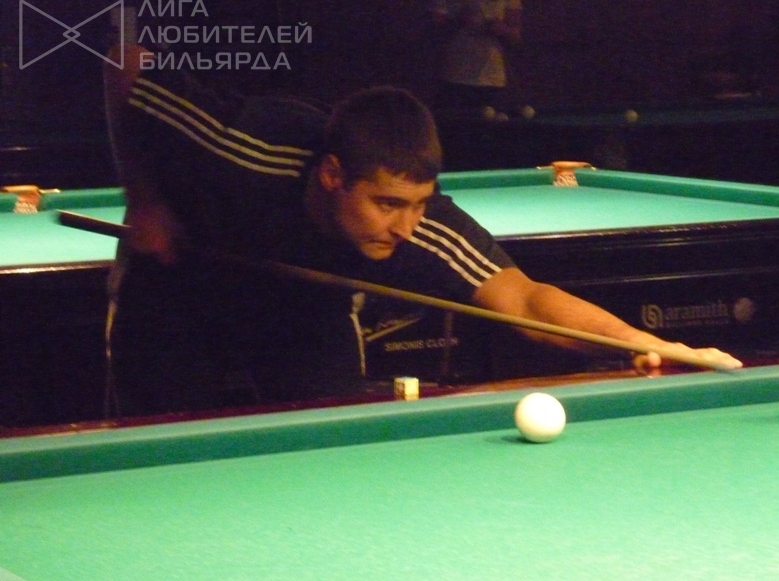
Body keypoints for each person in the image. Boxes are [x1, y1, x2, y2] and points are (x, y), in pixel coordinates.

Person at [104, 44, 742, 417]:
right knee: (157, 429)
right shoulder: (240, 143)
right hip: (180, 284)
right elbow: (123, 63)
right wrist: (146, 199)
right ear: (332, 175)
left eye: (418, 204)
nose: (406, 227)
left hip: (306, 308)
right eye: (387, 204)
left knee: (338, 445)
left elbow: (525, 299)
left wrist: (640, 342)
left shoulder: (420, 224)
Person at [430, 0, 523, 113]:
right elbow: (434, 32)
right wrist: (458, 21)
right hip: (455, 76)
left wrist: (502, 30)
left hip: (493, 78)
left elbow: (516, 36)